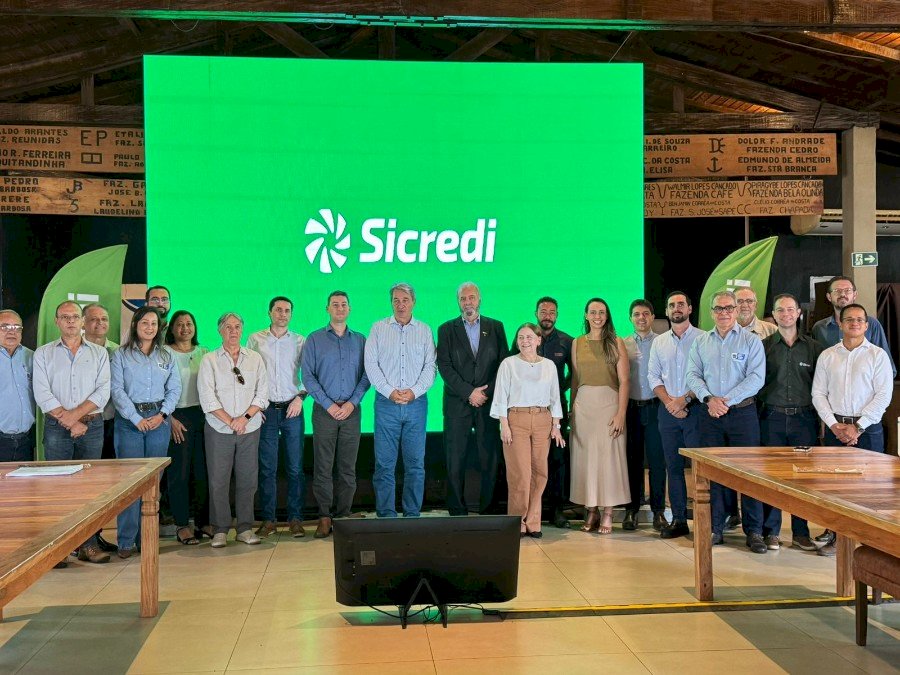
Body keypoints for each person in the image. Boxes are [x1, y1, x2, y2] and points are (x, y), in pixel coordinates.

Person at [686, 290, 767, 554]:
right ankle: (716, 527)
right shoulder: (701, 342)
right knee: (714, 472)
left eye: (728, 308)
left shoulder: (751, 341)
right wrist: (709, 399)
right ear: (712, 312)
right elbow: (692, 375)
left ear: (736, 310)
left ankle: (754, 531)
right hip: (709, 415)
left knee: (750, 473)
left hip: (743, 414)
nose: (724, 313)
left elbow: (756, 378)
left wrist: (726, 401)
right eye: (718, 308)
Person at [812, 303, 894, 556]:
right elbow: (818, 394)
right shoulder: (828, 356)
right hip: (836, 428)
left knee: (869, 487)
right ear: (840, 323)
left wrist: (857, 427)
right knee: (835, 487)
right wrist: (833, 424)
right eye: (849, 319)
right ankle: (838, 536)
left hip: (868, 428)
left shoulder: (878, 355)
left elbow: (883, 396)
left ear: (867, 325)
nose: (854, 323)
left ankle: (871, 541)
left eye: (860, 320)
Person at [32, 301, 110, 565]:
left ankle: (88, 545)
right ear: (57, 321)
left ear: (82, 321)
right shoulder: (43, 354)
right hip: (57, 426)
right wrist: (70, 421)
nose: (70, 321)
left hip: (92, 426)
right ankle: (59, 549)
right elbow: (42, 393)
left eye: (75, 316)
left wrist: (75, 416)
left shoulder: (99, 353)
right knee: (57, 489)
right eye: (64, 317)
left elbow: (103, 391)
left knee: (89, 490)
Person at [110, 306, 181, 558]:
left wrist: (162, 415)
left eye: (154, 323)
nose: (149, 327)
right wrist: (135, 418)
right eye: (145, 323)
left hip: (158, 421)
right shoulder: (121, 355)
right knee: (130, 483)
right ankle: (126, 541)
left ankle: (146, 539)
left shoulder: (166, 355)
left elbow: (174, 389)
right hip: (130, 421)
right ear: (135, 325)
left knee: (152, 484)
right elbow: (116, 390)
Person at [364, 282, 436, 518]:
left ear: (413, 302)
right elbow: (370, 364)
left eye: (405, 300)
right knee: (384, 464)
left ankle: (412, 514)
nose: (401, 304)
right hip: (386, 404)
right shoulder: (378, 328)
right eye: (396, 300)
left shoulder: (424, 330)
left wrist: (414, 391)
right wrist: (389, 391)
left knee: (415, 464)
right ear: (391, 303)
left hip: (416, 404)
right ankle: (386, 515)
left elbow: (430, 367)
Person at [758, 293, 824, 552]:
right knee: (771, 476)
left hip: (804, 419)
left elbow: (821, 387)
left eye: (790, 310)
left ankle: (800, 533)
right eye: (780, 310)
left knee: (801, 478)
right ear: (773, 315)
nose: (785, 314)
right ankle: (771, 532)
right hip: (771, 418)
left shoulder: (814, 348)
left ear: (798, 313)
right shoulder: (763, 347)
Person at [301, 291, 370, 538]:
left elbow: (367, 375)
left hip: (352, 412)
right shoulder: (314, 339)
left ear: (349, 309)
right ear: (327, 308)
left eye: (343, 304)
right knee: (323, 467)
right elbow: (307, 376)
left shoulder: (360, 340)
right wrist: (329, 405)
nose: (340, 308)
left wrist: (352, 403)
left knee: (347, 468)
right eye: (335, 304)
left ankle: (343, 516)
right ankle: (324, 517)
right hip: (324, 412)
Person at [437, 282, 509, 516]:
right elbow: (444, 366)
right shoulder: (446, 329)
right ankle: (457, 510)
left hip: (488, 404)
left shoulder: (496, 327)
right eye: (463, 298)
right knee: (455, 458)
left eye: (471, 297)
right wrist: (469, 392)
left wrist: (485, 393)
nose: (468, 302)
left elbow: (503, 365)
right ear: (458, 302)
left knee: (489, 457)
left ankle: (488, 509)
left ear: (479, 299)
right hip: (457, 403)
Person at [198, 312, 268, 548]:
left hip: (249, 428)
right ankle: (220, 529)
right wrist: (231, 421)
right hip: (219, 429)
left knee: (248, 479)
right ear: (220, 331)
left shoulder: (255, 358)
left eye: (237, 326)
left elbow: (262, 394)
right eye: (228, 327)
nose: (233, 331)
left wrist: (244, 418)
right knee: (218, 480)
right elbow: (208, 398)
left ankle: (245, 528)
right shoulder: (209, 360)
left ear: (242, 329)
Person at [490, 323, 565, 538]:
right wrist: (504, 425)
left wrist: (556, 426)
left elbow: (555, 397)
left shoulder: (549, 365)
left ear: (539, 340)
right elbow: (500, 396)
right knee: (520, 474)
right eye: (521, 337)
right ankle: (518, 522)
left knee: (540, 473)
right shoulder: (509, 364)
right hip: (517, 419)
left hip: (543, 419)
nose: (525, 341)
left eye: (529, 337)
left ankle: (533, 521)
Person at [247, 296, 307, 538]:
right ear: (269, 312)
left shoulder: (300, 341)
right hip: (267, 411)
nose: (283, 314)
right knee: (267, 468)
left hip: (293, 408)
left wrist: (301, 398)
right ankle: (268, 520)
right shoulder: (255, 339)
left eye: (287, 310)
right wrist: (255, 407)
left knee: (295, 468)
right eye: (278, 310)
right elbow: (248, 375)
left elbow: (309, 374)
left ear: (291, 314)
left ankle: (295, 519)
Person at [569, 298, 630, 535]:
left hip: (609, 406)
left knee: (608, 460)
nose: (597, 316)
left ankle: (608, 512)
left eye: (602, 312)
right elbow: (575, 380)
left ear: (607, 316)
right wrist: (572, 410)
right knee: (586, 460)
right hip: (583, 408)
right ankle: (591, 510)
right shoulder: (577, 343)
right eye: (593, 312)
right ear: (586, 315)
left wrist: (621, 413)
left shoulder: (616, 342)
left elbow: (624, 380)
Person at [648, 291, 704, 539]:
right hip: (668, 411)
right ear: (667, 311)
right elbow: (653, 377)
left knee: (701, 468)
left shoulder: (704, 339)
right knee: (673, 467)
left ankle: (706, 522)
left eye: (681, 304)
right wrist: (671, 403)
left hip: (697, 409)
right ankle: (679, 520)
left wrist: (685, 400)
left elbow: (707, 376)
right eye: (672, 305)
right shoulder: (659, 342)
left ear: (690, 309)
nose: (677, 308)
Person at [521, 296, 573, 528]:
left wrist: (559, 389)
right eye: (543, 311)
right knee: (531, 461)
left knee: (557, 459)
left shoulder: (567, 341)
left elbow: (575, 373)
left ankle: (558, 510)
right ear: (536, 313)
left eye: (552, 312)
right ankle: (532, 510)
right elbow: (514, 367)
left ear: (557, 315)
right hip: (528, 410)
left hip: (556, 409)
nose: (547, 316)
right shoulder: (525, 338)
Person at [164, 310, 211, 544]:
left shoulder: (205, 353)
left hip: (202, 415)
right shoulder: (164, 353)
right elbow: (158, 387)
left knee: (203, 473)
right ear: (172, 329)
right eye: (180, 324)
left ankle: (203, 522)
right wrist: (169, 418)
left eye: (189, 323)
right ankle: (182, 524)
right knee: (179, 473)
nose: (185, 328)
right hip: (176, 416)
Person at [622, 299, 666, 531]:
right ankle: (632, 509)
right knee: (633, 460)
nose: (641, 318)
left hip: (656, 407)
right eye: (637, 314)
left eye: (646, 314)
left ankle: (659, 511)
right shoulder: (623, 344)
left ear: (652, 317)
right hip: (631, 409)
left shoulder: (663, 342)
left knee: (658, 461)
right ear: (630, 318)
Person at [812, 275, 896, 377]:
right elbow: (815, 367)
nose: (843, 294)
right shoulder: (819, 328)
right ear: (829, 297)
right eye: (837, 291)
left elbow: (887, 368)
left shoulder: (872, 324)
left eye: (847, 290)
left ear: (855, 295)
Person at [83, 303, 118, 460]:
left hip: (110, 420)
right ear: (83, 322)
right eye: (94, 319)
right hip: (81, 419)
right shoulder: (73, 350)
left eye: (104, 319)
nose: (100, 323)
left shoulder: (118, 351)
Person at [0, 309, 35, 462]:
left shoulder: (32, 357)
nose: (11, 331)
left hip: (26, 440)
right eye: (5, 326)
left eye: (16, 327)